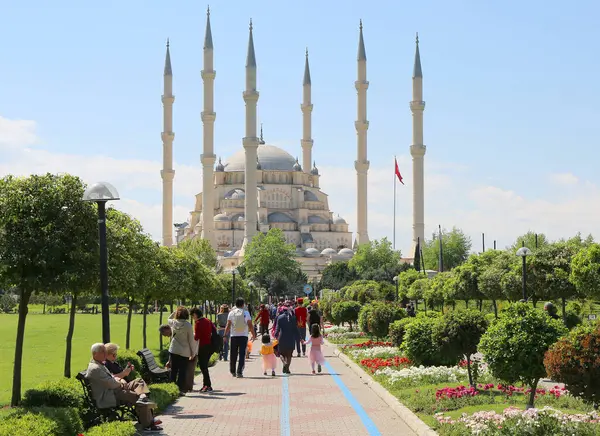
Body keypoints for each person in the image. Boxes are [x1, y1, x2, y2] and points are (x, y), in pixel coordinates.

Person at [85, 343, 161, 431]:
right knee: (137, 397)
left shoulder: (99, 364)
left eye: (105, 352)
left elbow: (112, 378)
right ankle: (148, 424)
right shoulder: (95, 368)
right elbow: (111, 383)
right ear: (95, 354)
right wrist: (121, 382)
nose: (105, 354)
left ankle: (142, 397)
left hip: (116, 390)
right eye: (103, 352)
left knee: (138, 381)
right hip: (110, 395)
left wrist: (119, 380)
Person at [224, 298, 256, 378]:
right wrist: (253, 334)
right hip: (243, 336)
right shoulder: (246, 313)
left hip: (233, 336)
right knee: (242, 354)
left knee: (233, 354)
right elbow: (250, 325)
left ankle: (232, 371)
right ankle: (239, 372)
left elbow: (228, 325)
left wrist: (225, 335)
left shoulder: (231, 313)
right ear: (243, 304)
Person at [168, 306, 196, 395]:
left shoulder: (173, 322)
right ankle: (180, 389)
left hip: (174, 349)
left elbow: (168, 318)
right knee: (182, 371)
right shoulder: (188, 325)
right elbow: (191, 340)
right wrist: (193, 352)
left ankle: (171, 388)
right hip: (185, 351)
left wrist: (174, 312)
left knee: (173, 370)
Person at [191, 307, 215, 392]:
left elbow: (197, 337)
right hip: (209, 345)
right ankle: (206, 384)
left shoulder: (198, 323)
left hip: (202, 346)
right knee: (204, 366)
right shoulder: (207, 320)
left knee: (203, 367)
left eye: (192, 316)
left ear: (195, 314)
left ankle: (207, 385)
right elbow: (214, 330)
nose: (192, 318)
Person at [275, 303, 301, 374]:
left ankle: (284, 363)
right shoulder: (293, 318)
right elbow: (296, 329)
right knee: (289, 355)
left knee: (281, 354)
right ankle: (287, 368)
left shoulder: (279, 318)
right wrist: (300, 338)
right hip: (291, 339)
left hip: (282, 338)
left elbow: (277, 329)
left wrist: (276, 335)